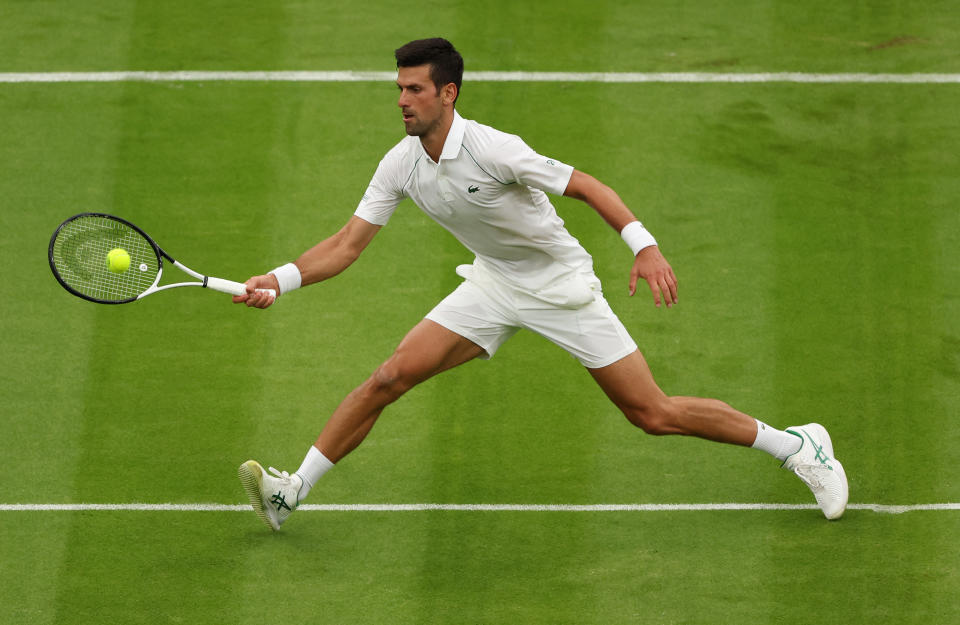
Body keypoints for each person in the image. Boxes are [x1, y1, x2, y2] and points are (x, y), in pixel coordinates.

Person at [234, 38, 848, 530]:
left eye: (415, 89)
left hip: (560, 287)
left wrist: (646, 247)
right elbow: (347, 244)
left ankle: (796, 446)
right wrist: (280, 281)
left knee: (652, 413)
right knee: (390, 376)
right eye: (398, 88)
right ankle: (291, 493)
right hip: (495, 283)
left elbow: (587, 186)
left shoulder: (495, 149)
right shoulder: (400, 164)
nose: (402, 100)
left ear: (448, 94)